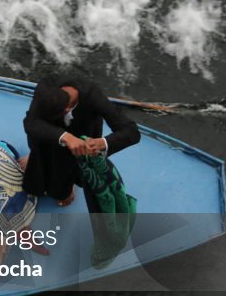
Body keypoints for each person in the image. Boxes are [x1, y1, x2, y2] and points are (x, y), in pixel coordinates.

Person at [22, 75, 140, 206]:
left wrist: (101, 143)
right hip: (49, 135)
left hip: (82, 136)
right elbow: (31, 122)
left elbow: (132, 132)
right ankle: (33, 160)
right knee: (37, 158)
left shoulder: (94, 97)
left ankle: (67, 187)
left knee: (65, 172)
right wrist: (66, 137)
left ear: (67, 110)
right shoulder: (46, 87)